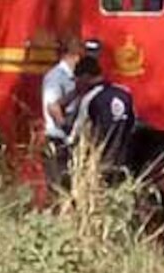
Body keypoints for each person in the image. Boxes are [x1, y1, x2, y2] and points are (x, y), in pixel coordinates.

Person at [69, 55, 136, 186]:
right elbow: (133, 124)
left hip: (99, 165)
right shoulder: (125, 93)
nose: (76, 84)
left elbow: (76, 133)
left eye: (77, 79)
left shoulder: (90, 98)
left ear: (85, 77)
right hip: (124, 162)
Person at [41, 36, 85, 193]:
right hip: (58, 139)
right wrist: (66, 126)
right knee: (60, 188)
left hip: (68, 140)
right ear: (75, 56)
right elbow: (52, 107)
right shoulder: (56, 77)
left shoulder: (74, 78)